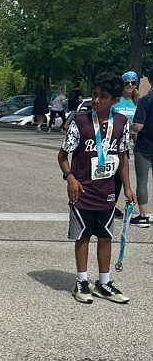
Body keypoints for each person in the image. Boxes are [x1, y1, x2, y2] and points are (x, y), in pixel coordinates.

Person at [58, 73, 134, 304]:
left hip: (108, 191)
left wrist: (128, 188)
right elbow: (63, 155)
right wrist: (70, 177)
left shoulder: (121, 123)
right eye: (95, 95)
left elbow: (123, 157)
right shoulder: (80, 122)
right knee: (83, 236)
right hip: (81, 190)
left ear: (115, 100)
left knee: (105, 237)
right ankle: (81, 281)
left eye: (103, 96)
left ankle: (104, 282)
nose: (97, 100)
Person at [111, 71, 139, 218]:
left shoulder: (137, 103)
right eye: (127, 82)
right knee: (109, 174)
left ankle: (112, 205)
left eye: (133, 83)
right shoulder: (116, 101)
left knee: (120, 176)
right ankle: (106, 204)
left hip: (126, 144)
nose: (130, 85)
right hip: (112, 141)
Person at [130, 66, 153, 228]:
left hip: (145, 146)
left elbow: (138, 126)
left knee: (142, 180)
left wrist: (128, 125)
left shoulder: (145, 100)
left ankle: (143, 216)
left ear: (150, 80)